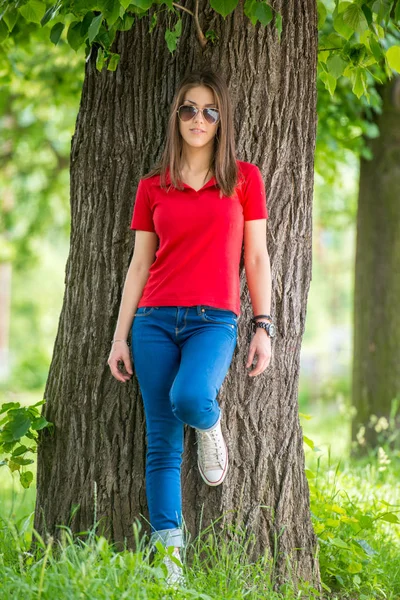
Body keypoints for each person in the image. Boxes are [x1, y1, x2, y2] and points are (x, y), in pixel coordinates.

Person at [107, 67, 274, 587]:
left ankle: (210, 426)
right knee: (160, 446)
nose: (197, 119)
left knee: (191, 398)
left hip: (215, 321)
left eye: (208, 110)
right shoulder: (152, 186)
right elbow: (139, 265)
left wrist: (263, 325)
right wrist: (120, 335)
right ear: (175, 117)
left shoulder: (244, 178)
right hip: (153, 320)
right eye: (187, 109)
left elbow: (257, 257)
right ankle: (172, 570)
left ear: (221, 120)